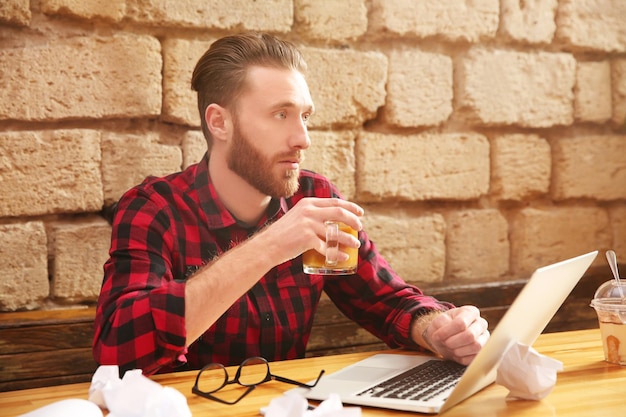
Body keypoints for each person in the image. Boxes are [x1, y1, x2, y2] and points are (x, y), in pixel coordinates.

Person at [93, 32, 489, 376]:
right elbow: (117, 350)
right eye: (280, 114)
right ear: (219, 123)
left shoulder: (314, 198)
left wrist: (435, 328)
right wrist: (270, 246)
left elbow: (383, 300)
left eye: (304, 116)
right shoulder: (154, 209)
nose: (302, 139)